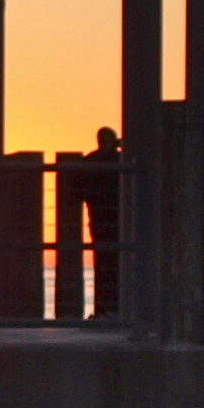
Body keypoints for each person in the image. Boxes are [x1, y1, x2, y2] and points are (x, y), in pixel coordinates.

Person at [83, 125, 126, 315]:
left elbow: (79, 191)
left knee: (103, 266)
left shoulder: (89, 161)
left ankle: (103, 309)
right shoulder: (120, 160)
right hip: (119, 220)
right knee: (119, 264)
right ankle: (118, 307)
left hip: (99, 219)